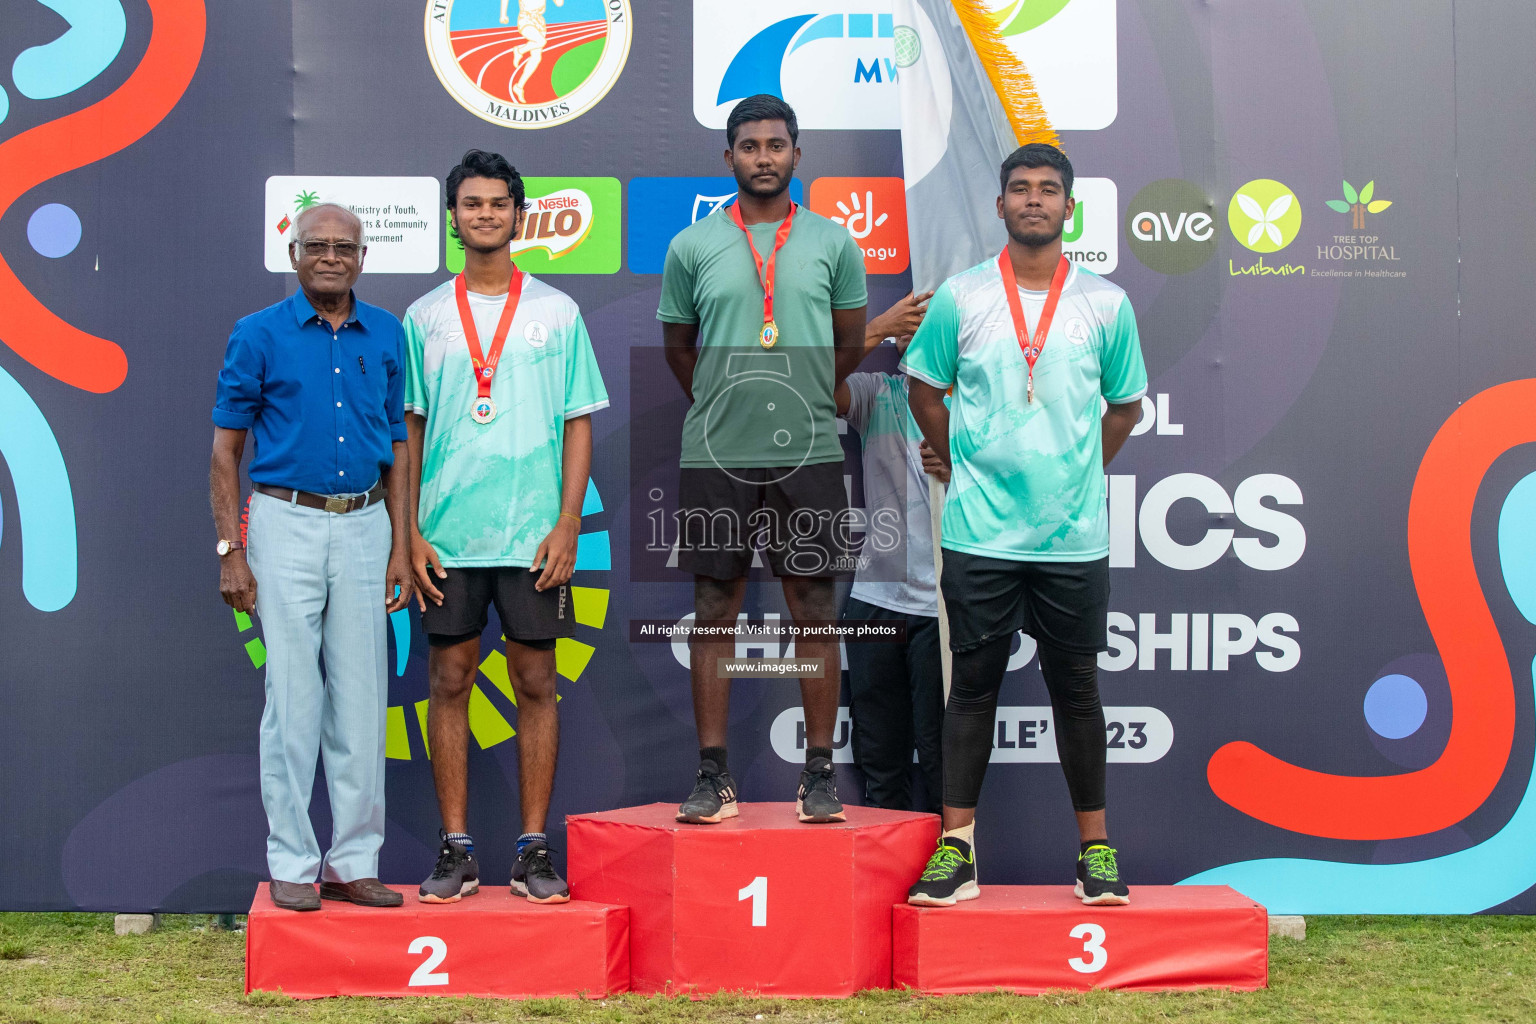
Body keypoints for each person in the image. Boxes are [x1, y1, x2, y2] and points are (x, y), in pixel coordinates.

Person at [901, 144, 1147, 907]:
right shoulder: (963, 298)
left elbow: (1126, 407)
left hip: (1073, 538)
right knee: (971, 688)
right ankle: (958, 851)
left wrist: (1081, 473)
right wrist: (961, 459)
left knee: (1076, 689)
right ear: (1000, 206)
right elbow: (924, 389)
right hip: (980, 534)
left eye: (1048, 190)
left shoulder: (1107, 304)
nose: (1034, 200)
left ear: (1069, 208)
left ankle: (1096, 854)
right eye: (1020, 189)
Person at [405, 150, 608, 905]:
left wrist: (566, 525)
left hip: (533, 539)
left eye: (498, 203)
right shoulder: (424, 317)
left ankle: (531, 849)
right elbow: (411, 435)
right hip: (447, 539)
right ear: (453, 217)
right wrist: (411, 533)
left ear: (518, 217)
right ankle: (455, 848)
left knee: (535, 682)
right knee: (448, 680)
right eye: (471, 203)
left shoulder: (557, 312)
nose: (485, 214)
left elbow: (578, 423)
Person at [660, 94, 868, 824]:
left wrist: (803, 398)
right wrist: (725, 404)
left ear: (796, 156)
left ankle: (818, 773)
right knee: (714, 606)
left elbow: (848, 346)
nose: (763, 158)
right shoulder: (692, 247)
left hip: (808, 447)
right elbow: (679, 350)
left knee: (813, 606)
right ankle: (712, 774)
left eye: (776, 145)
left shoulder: (834, 242)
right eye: (749, 147)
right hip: (716, 451)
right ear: (730, 159)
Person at [211, 203, 414, 912]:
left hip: (365, 526)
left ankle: (354, 862)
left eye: (345, 247)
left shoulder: (387, 333)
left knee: (361, 705)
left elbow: (397, 446)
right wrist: (231, 551)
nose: (332, 257)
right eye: (317, 246)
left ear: (363, 256)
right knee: (292, 702)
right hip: (282, 524)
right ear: (293, 253)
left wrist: (401, 544)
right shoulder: (257, 334)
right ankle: (294, 863)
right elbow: (224, 453)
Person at [835, 293, 949, 813]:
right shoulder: (878, 393)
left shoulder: (982, 406)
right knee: (880, 757)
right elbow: (809, 385)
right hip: (876, 601)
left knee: (948, 758)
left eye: (933, 326)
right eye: (912, 326)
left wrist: (959, 464)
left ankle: (955, 865)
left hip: (948, 606)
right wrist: (876, 326)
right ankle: (888, 879)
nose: (918, 336)